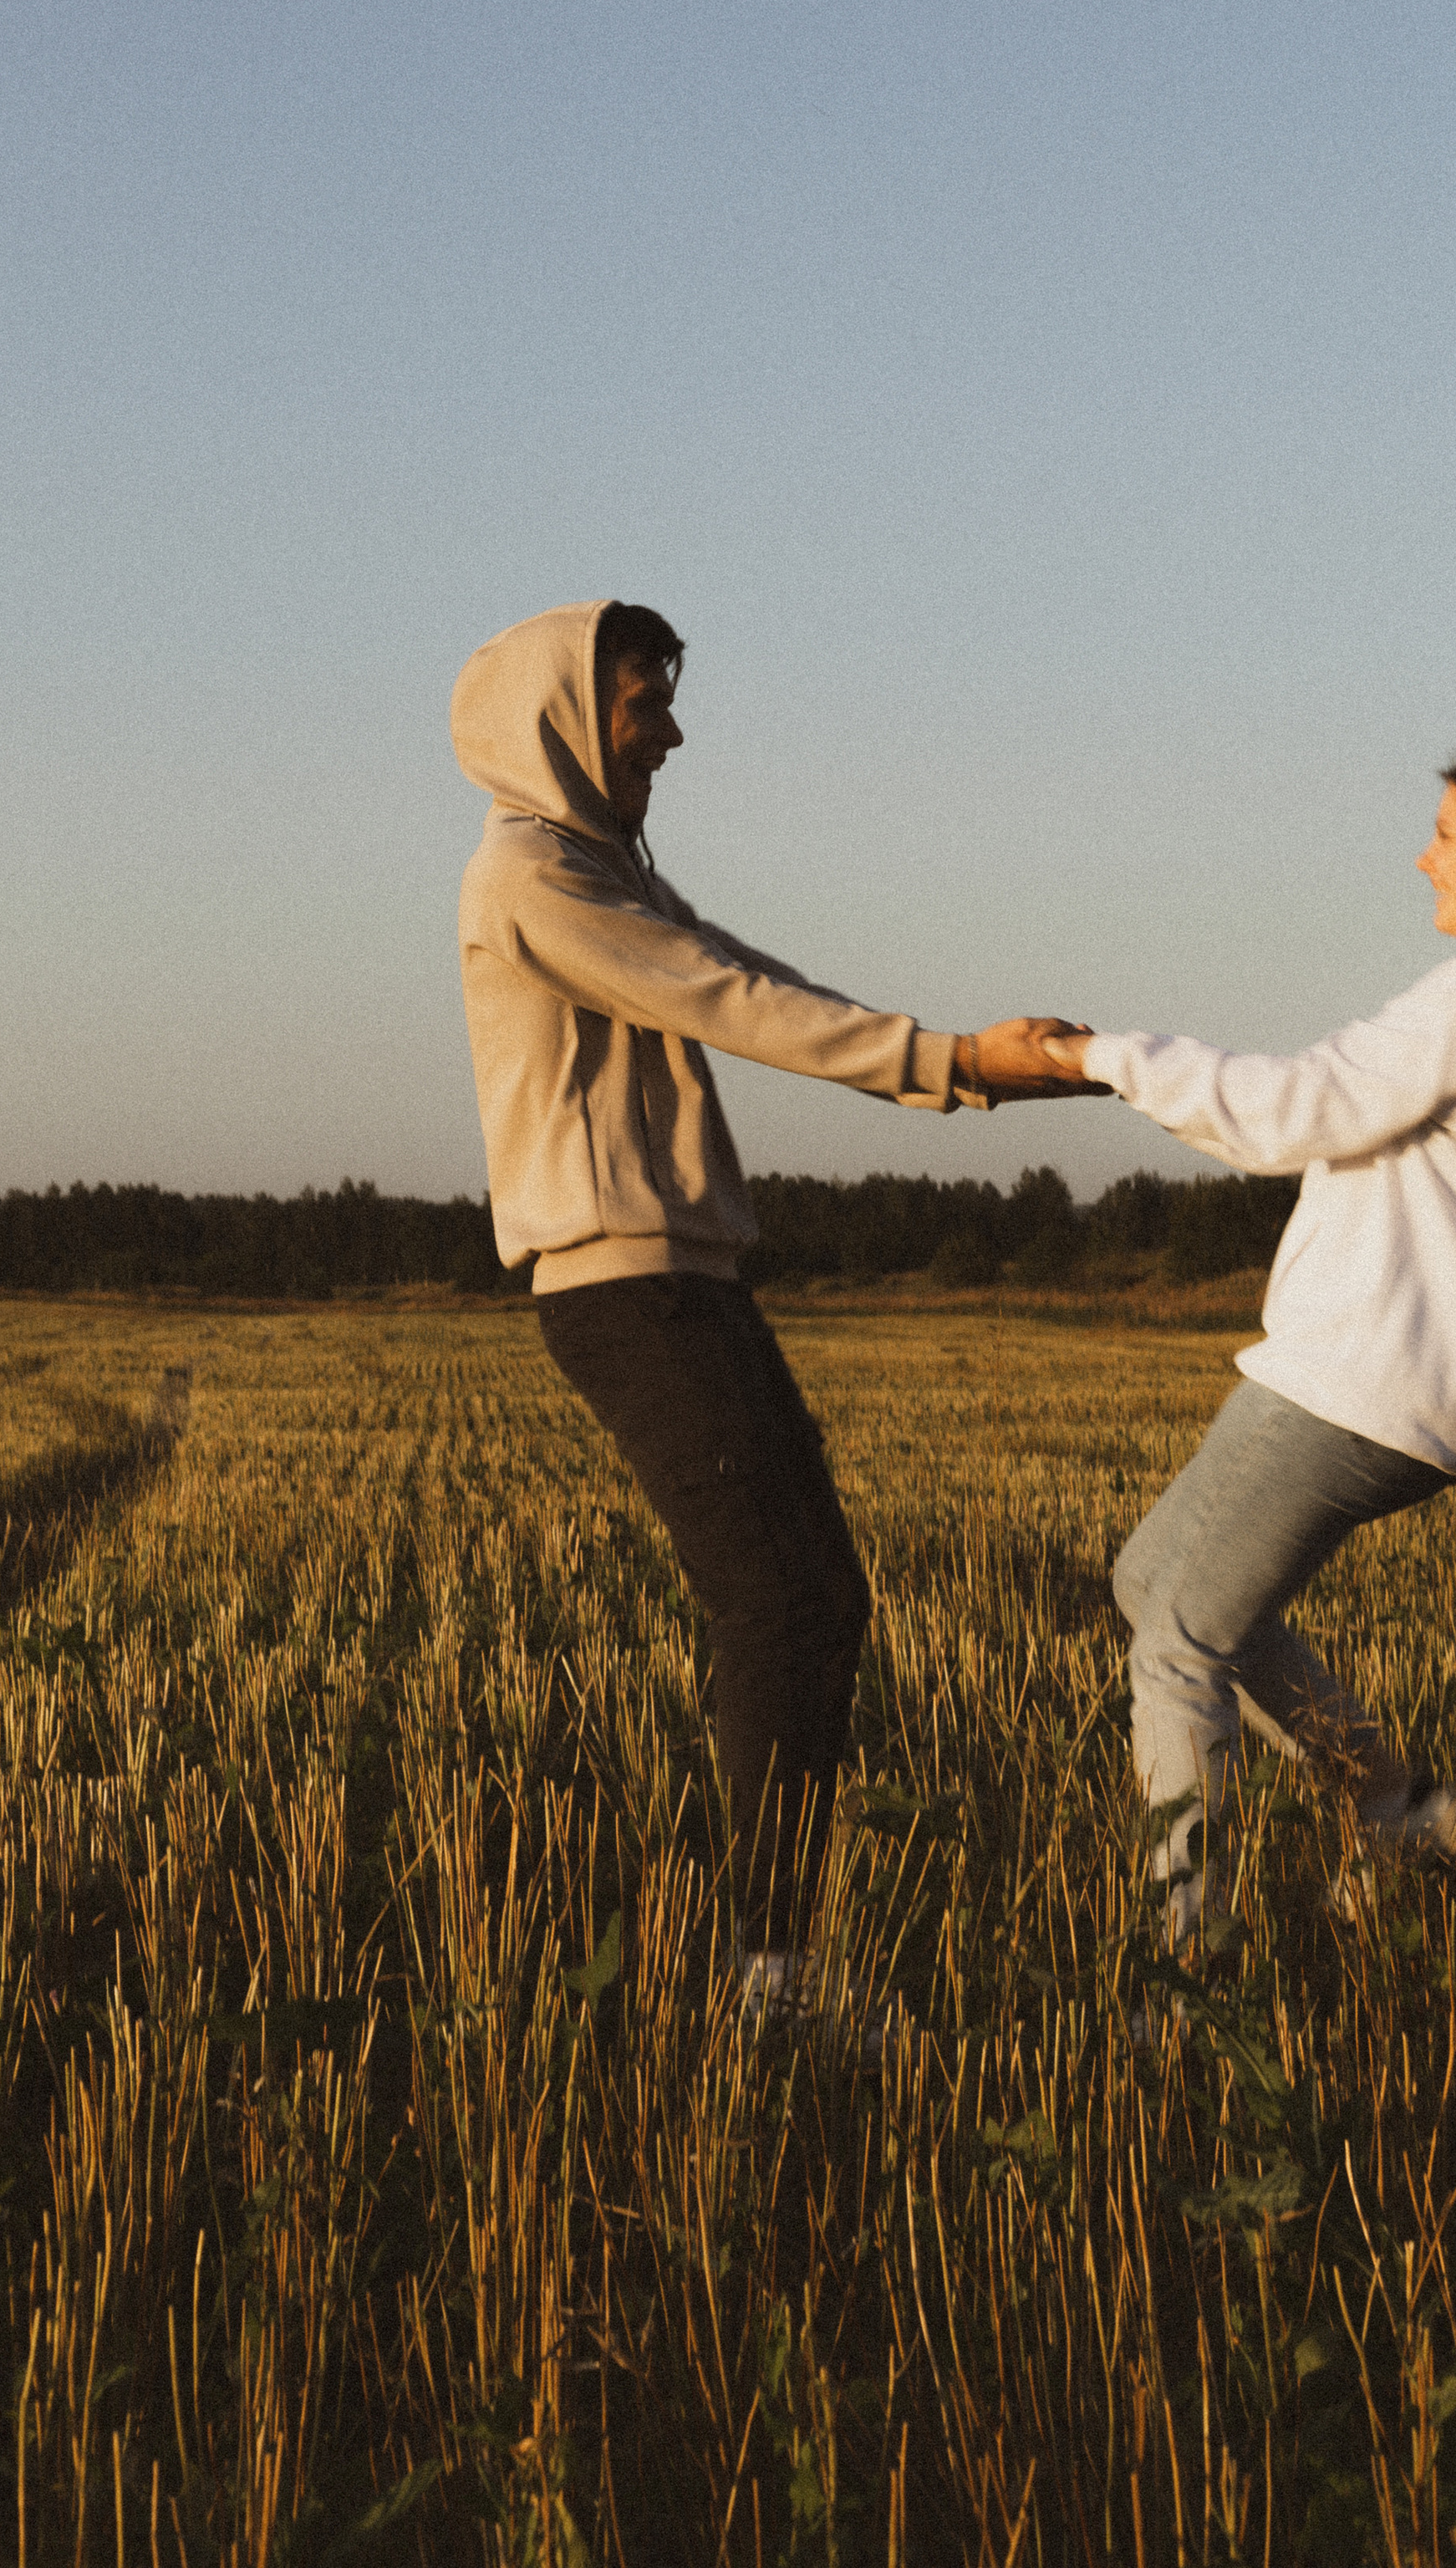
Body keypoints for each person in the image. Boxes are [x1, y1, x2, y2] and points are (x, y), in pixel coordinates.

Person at [977, 731, 1456, 1939]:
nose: (1422, 858)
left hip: (1365, 1379)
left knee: (1181, 1637)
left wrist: (1097, 1059)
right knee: (1153, 1582)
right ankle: (1403, 1810)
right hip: (1436, 1394)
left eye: (1447, 835)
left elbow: (1290, 1110)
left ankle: (1191, 1966)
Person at [450, 599, 1092, 2020]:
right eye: (642, 707)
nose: (672, 731)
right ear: (562, 717)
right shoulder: (532, 876)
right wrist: (956, 1062)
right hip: (630, 1290)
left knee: (821, 1602)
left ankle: (775, 1953)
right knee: (778, 1606)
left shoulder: (604, 868)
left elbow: (751, 974)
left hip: (685, 1282)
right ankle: (771, 1971)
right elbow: (729, 1001)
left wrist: (961, 1060)